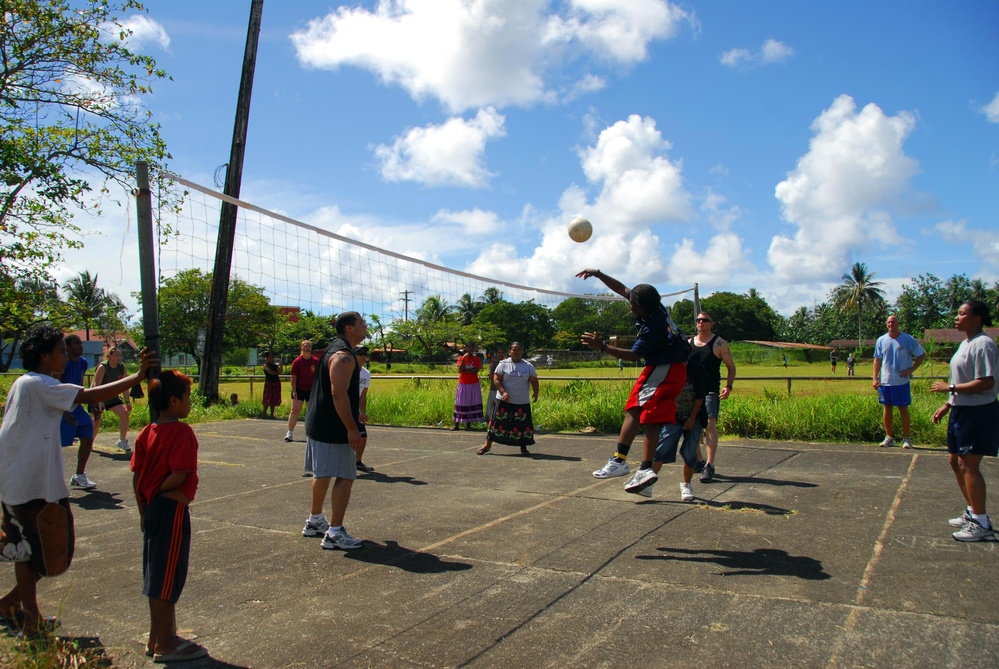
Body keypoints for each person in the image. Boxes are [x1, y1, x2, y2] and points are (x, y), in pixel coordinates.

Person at [0, 326, 155, 637]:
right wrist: (139, 377)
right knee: (45, 548)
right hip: (31, 484)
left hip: (16, 480)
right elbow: (88, 395)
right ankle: (29, 620)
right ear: (44, 356)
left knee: (28, 549)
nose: (65, 357)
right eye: (60, 351)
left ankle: (12, 606)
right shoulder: (42, 384)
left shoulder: (22, 383)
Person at [579, 269, 688, 495]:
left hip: (664, 368)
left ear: (641, 308)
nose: (629, 305)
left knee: (643, 413)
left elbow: (633, 356)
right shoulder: (651, 305)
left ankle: (628, 464)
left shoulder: (653, 326)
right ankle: (640, 477)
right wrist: (599, 274)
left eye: (633, 305)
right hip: (671, 368)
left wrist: (603, 347)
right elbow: (621, 289)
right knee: (639, 410)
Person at [130, 370, 208, 662]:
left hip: (152, 509)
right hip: (171, 510)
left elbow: (136, 476)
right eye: (187, 398)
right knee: (168, 577)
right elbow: (178, 474)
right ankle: (165, 643)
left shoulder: (145, 432)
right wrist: (158, 488)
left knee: (156, 573)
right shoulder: (181, 432)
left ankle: (159, 636)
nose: (190, 403)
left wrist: (143, 506)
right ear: (174, 401)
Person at [930, 301, 998, 542]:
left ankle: (981, 522)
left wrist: (949, 388)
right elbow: (964, 377)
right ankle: (972, 511)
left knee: (969, 465)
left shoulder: (983, 344)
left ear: (977, 318)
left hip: (977, 412)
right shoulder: (965, 343)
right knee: (955, 461)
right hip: (961, 409)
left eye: (962, 313)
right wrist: (948, 403)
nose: (956, 317)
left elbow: (987, 382)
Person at [301, 312, 368, 550]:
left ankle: (315, 520)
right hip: (333, 426)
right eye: (361, 322)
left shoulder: (335, 350)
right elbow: (337, 393)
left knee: (322, 473)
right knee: (346, 475)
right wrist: (352, 429)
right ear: (349, 328)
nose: (365, 325)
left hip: (319, 423)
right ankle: (334, 533)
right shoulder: (343, 356)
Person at [637, 354, 708, 502]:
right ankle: (646, 484)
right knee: (662, 449)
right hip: (672, 416)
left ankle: (686, 484)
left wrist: (692, 418)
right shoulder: (666, 369)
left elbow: (700, 396)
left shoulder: (697, 370)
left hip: (693, 416)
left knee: (690, 452)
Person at [689, 312, 736, 483]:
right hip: (692, 392)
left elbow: (731, 368)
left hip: (710, 390)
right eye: (698, 320)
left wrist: (728, 386)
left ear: (711, 323)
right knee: (692, 426)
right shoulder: (689, 343)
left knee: (710, 424)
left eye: (704, 320)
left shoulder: (719, 343)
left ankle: (710, 464)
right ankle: (699, 461)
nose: (701, 323)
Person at [873, 314, 926, 449]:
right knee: (887, 408)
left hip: (901, 381)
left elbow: (921, 354)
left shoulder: (908, 339)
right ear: (887, 324)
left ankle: (907, 438)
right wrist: (875, 378)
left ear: (898, 324)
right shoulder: (881, 340)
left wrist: (912, 369)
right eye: (889, 322)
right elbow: (877, 359)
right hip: (886, 381)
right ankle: (889, 436)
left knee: (903, 408)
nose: (891, 324)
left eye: (893, 322)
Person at [476, 343, 539, 456]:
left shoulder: (528, 366)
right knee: (496, 423)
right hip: (504, 401)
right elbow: (496, 379)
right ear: (510, 352)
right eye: (514, 350)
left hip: (521, 402)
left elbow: (534, 380)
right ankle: (487, 445)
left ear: (522, 352)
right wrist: (503, 392)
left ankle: (523, 448)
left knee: (522, 426)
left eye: (519, 350)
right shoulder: (503, 364)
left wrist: (536, 392)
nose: (516, 352)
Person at [60, 335, 97, 489]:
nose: (81, 346)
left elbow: (81, 385)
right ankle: (50, 479)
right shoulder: (63, 363)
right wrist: (62, 410)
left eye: (81, 343)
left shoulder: (82, 362)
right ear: (67, 347)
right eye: (76, 343)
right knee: (56, 444)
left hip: (77, 406)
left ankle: (79, 475)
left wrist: (91, 402)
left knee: (88, 437)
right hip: (62, 407)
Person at [90, 347, 133, 453]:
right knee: (96, 420)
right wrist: (99, 401)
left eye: (120, 355)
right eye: (116, 355)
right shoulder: (102, 367)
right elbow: (96, 385)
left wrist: (128, 402)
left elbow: (124, 386)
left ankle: (122, 440)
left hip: (112, 397)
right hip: (98, 396)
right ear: (110, 356)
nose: (119, 357)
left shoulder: (122, 367)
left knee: (124, 414)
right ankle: (89, 442)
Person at [285, 340, 319, 442]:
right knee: (295, 410)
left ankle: (312, 433)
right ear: (301, 348)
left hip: (311, 390)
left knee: (311, 412)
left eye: (309, 346)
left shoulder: (315, 361)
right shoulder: (297, 361)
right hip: (299, 389)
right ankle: (289, 432)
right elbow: (293, 377)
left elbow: (318, 377)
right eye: (305, 345)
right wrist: (294, 390)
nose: (307, 347)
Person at [451, 342, 484, 430]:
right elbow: (460, 369)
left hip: (473, 384)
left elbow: (475, 371)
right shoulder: (461, 358)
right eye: (468, 347)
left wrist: (465, 372)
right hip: (463, 383)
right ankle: (456, 425)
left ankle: (468, 425)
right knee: (460, 402)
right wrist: (464, 359)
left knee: (471, 402)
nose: (470, 349)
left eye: (472, 347)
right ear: (465, 348)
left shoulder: (476, 359)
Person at [354, 346, 374, 473]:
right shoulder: (347, 371)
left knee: (363, 436)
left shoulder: (366, 374)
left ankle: (357, 462)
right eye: (359, 353)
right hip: (344, 406)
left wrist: (363, 412)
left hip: (355, 407)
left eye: (364, 354)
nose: (362, 356)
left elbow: (363, 396)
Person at [484, 347, 506, 423]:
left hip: (505, 389)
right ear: (496, 354)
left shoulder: (507, 364)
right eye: (499, 353)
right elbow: (490, 375)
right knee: (492, 407)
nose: (500, 354)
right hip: (494, 389)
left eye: (502, 352)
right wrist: (501, 377)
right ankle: (491, 422)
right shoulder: (493, 364)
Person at [261, 350, 281, 419]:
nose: (271, 358)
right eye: (270, 357)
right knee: (267, 398)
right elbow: (269, 372)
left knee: (274, 398)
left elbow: (280, 371)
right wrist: (276, 373)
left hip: (276, 382)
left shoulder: (275, 365)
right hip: (269, 383)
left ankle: (272, 414)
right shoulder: (265, 365)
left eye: (272, 357)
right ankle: (264, 413)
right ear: (267, 358)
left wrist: (280, 365)